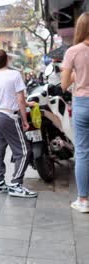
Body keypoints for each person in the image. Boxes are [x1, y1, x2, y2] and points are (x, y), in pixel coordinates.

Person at [0, 49, 37, 198]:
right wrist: (24, 120)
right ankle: (16, 184)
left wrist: (28, 104)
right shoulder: (14, 75)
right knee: (23, 151)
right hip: (8, 116)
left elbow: (6, 97)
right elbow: (19, 100)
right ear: (7, 59)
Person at [61, 12, 89, 213]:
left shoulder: (73, 51)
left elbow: (63, 85)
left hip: (82, 103)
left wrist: (74, 73)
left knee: (83, 152)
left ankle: (83, 200)